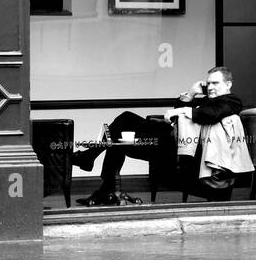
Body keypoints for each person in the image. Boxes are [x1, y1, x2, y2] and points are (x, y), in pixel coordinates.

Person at [74, 65, 245, 206]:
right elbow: (186, 114)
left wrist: (181, 110)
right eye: (209, 84)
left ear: (228, 84)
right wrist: (191, 94)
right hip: (167, 138)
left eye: (216, 83)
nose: (211, 87)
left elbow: (208, 114)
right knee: (121, 128)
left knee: (121, 126)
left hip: (175, 147)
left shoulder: (231, 101)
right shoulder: (208, 101)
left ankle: (90, 161)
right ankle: (103, 181)